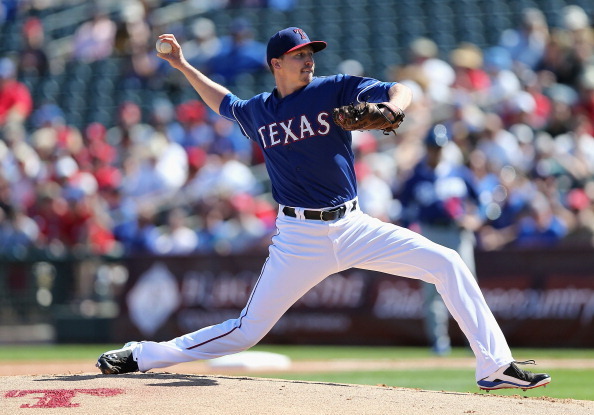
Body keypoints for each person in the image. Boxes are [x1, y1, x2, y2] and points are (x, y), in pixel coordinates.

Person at [96, 27, 551, 391]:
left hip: (353, 225)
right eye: (298, 54)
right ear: (276, 64)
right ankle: (143, 354)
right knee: (245, 331)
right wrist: (182, 65)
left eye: (311, 52)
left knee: (447, 262)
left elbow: (401, 88)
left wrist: (392, 108)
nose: (308, 58)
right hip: (298, 239)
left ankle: (495, 366)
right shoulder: (259, 111)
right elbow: (223, 102)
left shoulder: (332, 89)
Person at [398, 124, 482, 356]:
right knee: (432, 289)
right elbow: (403, 209)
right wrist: (410, 230)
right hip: (430, 232)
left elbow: (483, 202)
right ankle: (439, 343)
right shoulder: (416, 175)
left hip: (457, 233)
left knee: (467, 287)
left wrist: (476, 218)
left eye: (440, 147)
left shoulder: (458, 172)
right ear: (427, 148)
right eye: (433, 147)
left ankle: (475, 343)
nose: (436, 151)